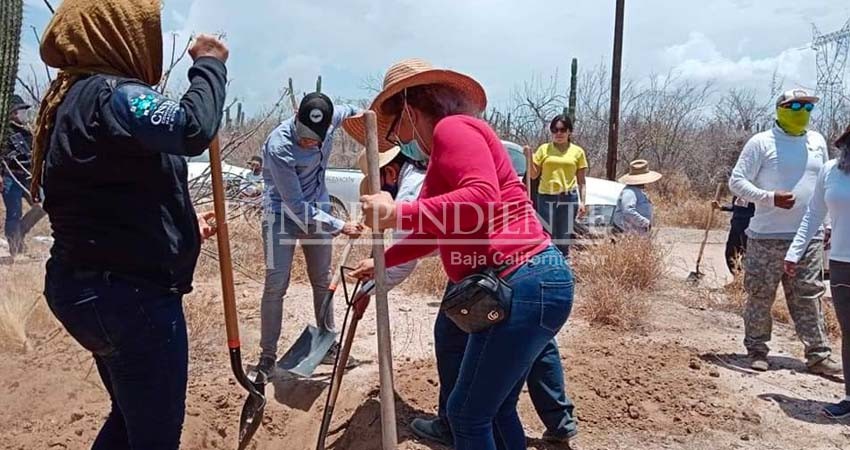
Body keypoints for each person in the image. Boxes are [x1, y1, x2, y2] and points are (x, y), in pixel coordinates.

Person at [345, 58, 573, 450]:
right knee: (494, 410)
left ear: (411, 111)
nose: (399, 142)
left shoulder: (455, 128)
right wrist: (383, 259)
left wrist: (396, 210)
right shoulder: (441, 159)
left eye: (397, 132)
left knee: (467, 415)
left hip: (521, 278)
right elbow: (435, 231)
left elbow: (481, 199)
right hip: (528, 280)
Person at [33, 1, 227, 448]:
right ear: (117, 33)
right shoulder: (113, 94)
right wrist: (210, 66)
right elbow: (191, 128)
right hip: (129, 299)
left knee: (129, 421)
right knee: (154, 436)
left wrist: (179, 226)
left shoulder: (75, 99)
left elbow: (107, 197)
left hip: (88, 288)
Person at [729, 88, 840, 375]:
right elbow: (737, 182)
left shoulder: (817, 142)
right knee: (760, 295)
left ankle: (818, 355)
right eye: (795, 106)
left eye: (807, 107)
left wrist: (826, 223)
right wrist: (768, 197)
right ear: (780, 109)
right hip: (766, 236)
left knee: (809, 295)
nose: (802, 111)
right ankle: (757, 350)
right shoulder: (761, 143)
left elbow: (823, 186)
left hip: (808, 237)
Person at [255, 92, 363, 377]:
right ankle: (267, 357)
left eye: (314, 138)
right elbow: (296, 206)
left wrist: (371, 119)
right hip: (281, 213)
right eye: (303, 136)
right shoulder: (280, 147)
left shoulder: (331, 119)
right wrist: (340, 225)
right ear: (296, 115)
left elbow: (353, 110)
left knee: (322, 279)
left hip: (316, 206)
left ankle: (327, 345)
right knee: (276, 284)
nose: (308, 142)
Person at [784, 125, 850, 418]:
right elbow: (814, 213)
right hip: (841, 264)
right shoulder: (831, 171)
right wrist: (795, 251)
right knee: (849, 333)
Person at [525, 115, 587, 256]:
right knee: (547, 234)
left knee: (564, 236)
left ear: (569, 132)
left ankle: (563, 264)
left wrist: (583, 202)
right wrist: (528, 158)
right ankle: (548, 265)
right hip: (546, 196)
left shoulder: (578, 152)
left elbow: (581, 181)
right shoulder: (544, 149)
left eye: (562, 130)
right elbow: (534, 175)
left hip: (568, 197)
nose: (558, 133)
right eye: (554, 130)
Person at [1, 95, 33, 258]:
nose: (24, 114)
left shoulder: (27, 132)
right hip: (10, 177)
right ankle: (15, 247)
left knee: (43, 204)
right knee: (14, 212)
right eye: (21, 110)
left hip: (27, 177)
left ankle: (21, 230)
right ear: (13, 113)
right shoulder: (4, 132)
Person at [612, 160, 662, 236]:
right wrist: (645, 222)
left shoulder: (637, 191)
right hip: (628, 235)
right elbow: (628, 211)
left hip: (636, 234)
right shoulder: (629, 192)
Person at [712, 195, 755, 274]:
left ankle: (745, 280)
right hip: (736, 226)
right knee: (730, 253)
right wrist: (721, 207)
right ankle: (737, 277)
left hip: (749, 228)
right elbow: (735, 207)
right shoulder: (738, 192)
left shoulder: (755, 192)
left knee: (747, 255)